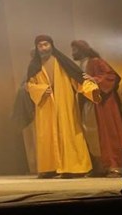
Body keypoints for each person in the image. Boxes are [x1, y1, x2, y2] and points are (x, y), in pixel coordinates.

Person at [23, 35, 100, 178]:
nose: (43, 48)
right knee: (47, 136)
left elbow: (77, 79)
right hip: (45, 106)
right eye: (40, 45)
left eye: (46, 44)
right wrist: (40, 90)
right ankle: (49, 168)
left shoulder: (63, 62)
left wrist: (91, 89)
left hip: (64, 103)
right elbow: (29, 85)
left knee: (68, 133)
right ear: (37, 48)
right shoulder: (34, 66)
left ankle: (74, 168)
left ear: (51, 45)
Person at [71, 40, 122, 177]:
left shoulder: (96, 61)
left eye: (75, 49)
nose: (73, 52)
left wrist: (95, 79)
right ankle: (99, 167)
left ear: (82, 49)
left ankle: (114, 166)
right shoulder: (80, 64)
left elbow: (111, 76)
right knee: (92, 135)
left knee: (108, 133)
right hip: (89, 104)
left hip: (103, 104)